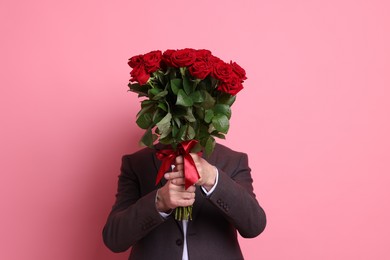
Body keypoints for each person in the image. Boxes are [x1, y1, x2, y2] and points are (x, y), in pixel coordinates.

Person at [103, 142, 266, 260]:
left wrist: (213, 179)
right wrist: (159, 202)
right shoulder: (136, 163)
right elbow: (114, 239)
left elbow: (254, 225)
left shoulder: (233, 160)